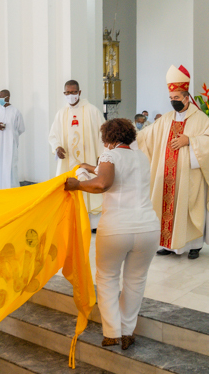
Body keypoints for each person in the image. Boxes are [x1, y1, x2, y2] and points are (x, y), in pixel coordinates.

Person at [64, 118, 159, 350]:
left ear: (108, 138)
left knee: (107, 278)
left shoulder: (109, 156)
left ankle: (112, 333)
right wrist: (89, 168)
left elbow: (103, 183)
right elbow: (114, 174)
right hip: (147, 228)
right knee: (135, 281)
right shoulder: (141, 156)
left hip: (117, 228)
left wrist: (77, 184)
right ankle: (127, 332)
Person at [136, 65, 209, 260]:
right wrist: (126, 136)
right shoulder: (165, 119)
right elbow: (145, 137)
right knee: (166, 207)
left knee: (189, 207)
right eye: (171, 99)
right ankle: (168, 244)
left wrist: (190, 140)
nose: (173, 102)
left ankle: (194, 245)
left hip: (189, 176)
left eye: (177, 98)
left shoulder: (200, 119)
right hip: (167, 176)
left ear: (186, 97)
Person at [48, 80, 105, 227]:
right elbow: (53, 135)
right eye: (67, 93)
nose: (71, 95)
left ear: (79, 93)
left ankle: (93, 224)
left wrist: (101, 155)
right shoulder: (61, 113)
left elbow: (103, 134)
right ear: (64, 94)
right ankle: (70, 219)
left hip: (90, 158)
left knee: (89, 185)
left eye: (74, 92)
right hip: (68, 159)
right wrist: (57, 147)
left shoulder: (92, 110)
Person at [0, 89, 26, 189]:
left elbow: (21, 128)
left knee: (10, 166)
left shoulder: (16, 112)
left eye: (1, 97)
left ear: (8, 97)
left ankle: (11, 189)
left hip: (10, 145)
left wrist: (11, 134)